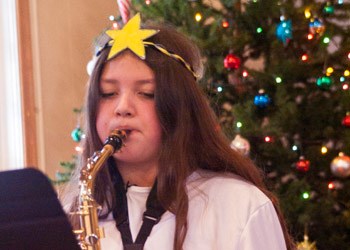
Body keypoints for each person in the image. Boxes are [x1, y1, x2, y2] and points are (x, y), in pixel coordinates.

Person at [61, 13, 295, 250]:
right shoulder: (72, 220)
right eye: (108, 93)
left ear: (180, 107)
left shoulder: (241, 205)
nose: (122, 108)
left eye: (147, 93)